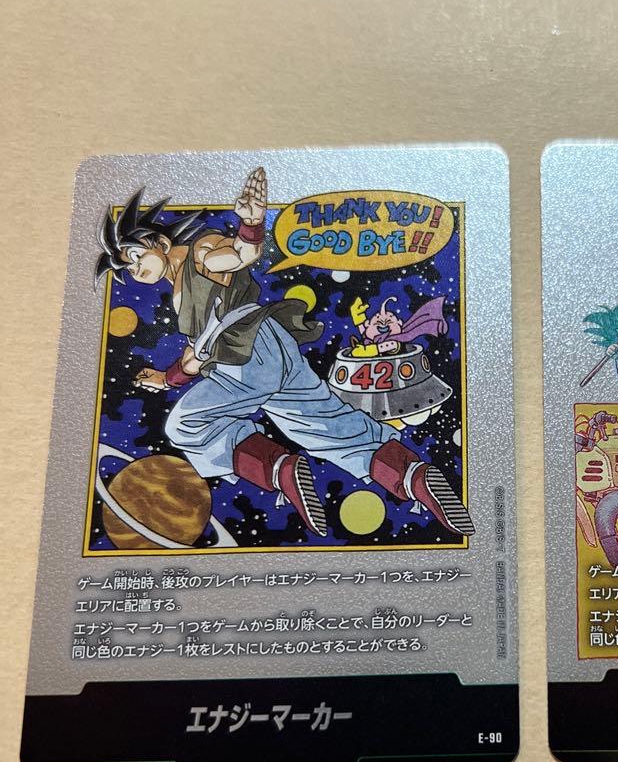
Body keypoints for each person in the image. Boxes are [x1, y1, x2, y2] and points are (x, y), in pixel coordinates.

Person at [95, 168, 473, 538]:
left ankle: (278, 468)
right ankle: (413, 476)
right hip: (273, 346)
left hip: (246, 357)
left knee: (186, 425)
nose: (135, 269)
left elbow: (239, 255)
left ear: (159, 242)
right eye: (127, 267)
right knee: (327, 426)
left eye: (135, 255)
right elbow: (197, 354)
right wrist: (168, 378)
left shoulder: (199, 254)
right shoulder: (181, 282)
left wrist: (251, 223)